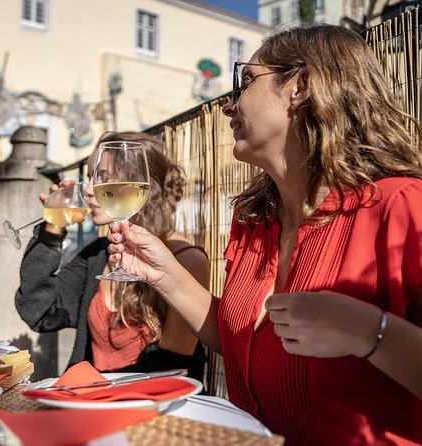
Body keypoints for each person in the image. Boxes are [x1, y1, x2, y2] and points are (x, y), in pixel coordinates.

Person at [107, 25, 422, 445]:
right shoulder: (255, 221)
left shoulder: (401, 206)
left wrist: (371, 332)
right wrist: (164, 273)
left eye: (245, 80)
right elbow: (237, 340)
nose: (228, 105)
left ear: (301, 87)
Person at [15, 131, 210, 379]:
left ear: (139, 183)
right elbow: (38, 310)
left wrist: (91, 388)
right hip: (92, 405)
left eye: (101, 177)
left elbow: (173, 367)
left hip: (155, 411)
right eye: (89, 178)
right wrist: (53, 228)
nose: (87, 189)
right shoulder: (98, 255)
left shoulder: (186, 260)